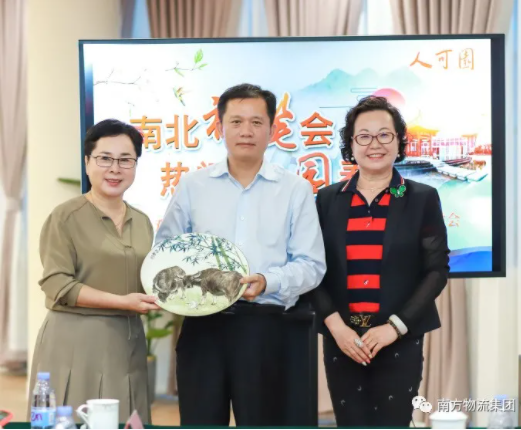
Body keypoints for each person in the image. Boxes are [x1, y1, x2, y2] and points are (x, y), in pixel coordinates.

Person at [155, 83, 326, 426]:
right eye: (236, 121)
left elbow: (312, 265)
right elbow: (165, 251)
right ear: (220, 127)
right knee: (200, 422)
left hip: (266, 328)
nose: (246, 131)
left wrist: (266, 281)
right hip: (203, 327)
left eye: (256, 122)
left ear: (272, 129)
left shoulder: (295, 189)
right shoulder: (193, 186)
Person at [306, 96, 450, 427]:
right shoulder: (327, 199)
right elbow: (313, 268)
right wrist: (336, 327)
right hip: (343, 340)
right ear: (351, 144)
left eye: (385, 135)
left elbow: (436, 271)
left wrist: (395, 327)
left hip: (399, 338)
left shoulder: (422, 198)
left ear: (399, 141)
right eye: (364, 136)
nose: (375, 144)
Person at [28, 119, 159, 423]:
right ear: (87, 163)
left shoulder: (142, 222)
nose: (115, 169)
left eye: (125, 160)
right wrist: (122, 302)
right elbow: (57, 283)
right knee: (73, 420)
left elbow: (148, 279)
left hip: (127, 341)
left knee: (127, 419)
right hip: (75, 341)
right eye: (104, 159)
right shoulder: (65, 217)